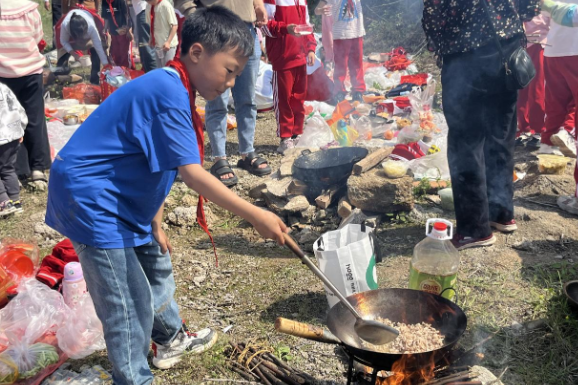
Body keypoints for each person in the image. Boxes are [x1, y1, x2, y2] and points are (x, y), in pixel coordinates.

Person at [45, 7, 288, 385]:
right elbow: (192, 174)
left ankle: (171, 339)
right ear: (196, 53)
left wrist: (155, 219)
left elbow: (160, 161)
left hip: (124, 195)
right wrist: (255, 214)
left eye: (238, 75)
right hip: (93, 198)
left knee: (155, 264)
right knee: (126, 303)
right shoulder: (168, 89)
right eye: (229, 70)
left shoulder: (178, 85)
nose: (230, 82)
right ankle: (134, 377)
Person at [422, 0, 540, 250]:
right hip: (507, 52)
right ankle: (501, 212)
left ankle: (475, 230)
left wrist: (438, 43)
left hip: (465, 60)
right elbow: (531, 7)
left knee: (466, 143)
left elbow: (434, 17)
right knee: (501, 135)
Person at [200, 0, 271, 187]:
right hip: (216, 30)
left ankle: (247, 153)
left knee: (247, 99)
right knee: (218, 100)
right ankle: (219, 158)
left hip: (247, 29)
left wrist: (258, 5)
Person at [0, 0, 52, 185]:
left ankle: (16, 169)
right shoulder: (30, 9)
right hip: (30, 72)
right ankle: (38, 169)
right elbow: (38, 38)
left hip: (3, 76)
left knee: (9, 123)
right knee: (35, 120)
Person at [262, 0, 317, 154]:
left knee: (299, 98)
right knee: (283, 99)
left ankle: (297, 133)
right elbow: (264, 26)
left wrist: (311, 48)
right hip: (282, 57)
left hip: (300, 57)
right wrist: (286, 29)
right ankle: (285, 138)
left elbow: (307, 25)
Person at [539, 0, 578, 213]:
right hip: (574, 48)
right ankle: (568, 134)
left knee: (555, 103)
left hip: (554, 50)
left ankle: (548, 147)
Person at [317, 0, 365, 104]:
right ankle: (339, 91)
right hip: (340, 35)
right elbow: (317, 10)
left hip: (357, 32)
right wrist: (322, 10)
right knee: (340, 67)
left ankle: (358, 91)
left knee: (357, 64)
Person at [516, 14, 550, 149]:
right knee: (521, 88)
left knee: (536, 88)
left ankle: (537, 130)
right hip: (520, 45)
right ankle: (524, 129)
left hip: (538, 43)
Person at [56, 10, 109, 85]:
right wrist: (74, 54)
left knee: (96, 50)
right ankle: (60, 78)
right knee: (63, 51)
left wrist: (105, 64)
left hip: (87, 40)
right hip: (72, 40)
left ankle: (94, 80)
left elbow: (98, 46)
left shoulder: (91, 27)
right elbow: (63, 41)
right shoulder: (65, 25)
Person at [0, 83, 27, 217]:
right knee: (8, 169)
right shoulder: (3, 88)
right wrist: (20, 129)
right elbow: (18, 109)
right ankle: (15, 201)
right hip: (12, 136)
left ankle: (4, 202)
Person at [146, 0, 178, 67]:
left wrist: (168, 42)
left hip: (167, 45)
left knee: (167, 69)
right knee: (160, 69)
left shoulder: (166, 6)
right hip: (158, 45)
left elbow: (174, 26)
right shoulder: (149, 6)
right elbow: (152, 25)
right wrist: (151, 38)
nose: (149, 2)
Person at [102, 0, 133, 67]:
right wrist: (105, 30)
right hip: (113, 32)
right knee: (114, 53)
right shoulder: (105, 2)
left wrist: (129, 30)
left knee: (124, 53)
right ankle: (118, 71)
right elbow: (106, 17)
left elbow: (127, 16)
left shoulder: (121, 1)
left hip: (123, 31)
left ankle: (127, 70)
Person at [131, 0, 157, 72]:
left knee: (147, 48)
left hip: (144, 11)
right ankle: (149, 74)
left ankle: (153, 76)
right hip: (143, 10)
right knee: (144, 48)